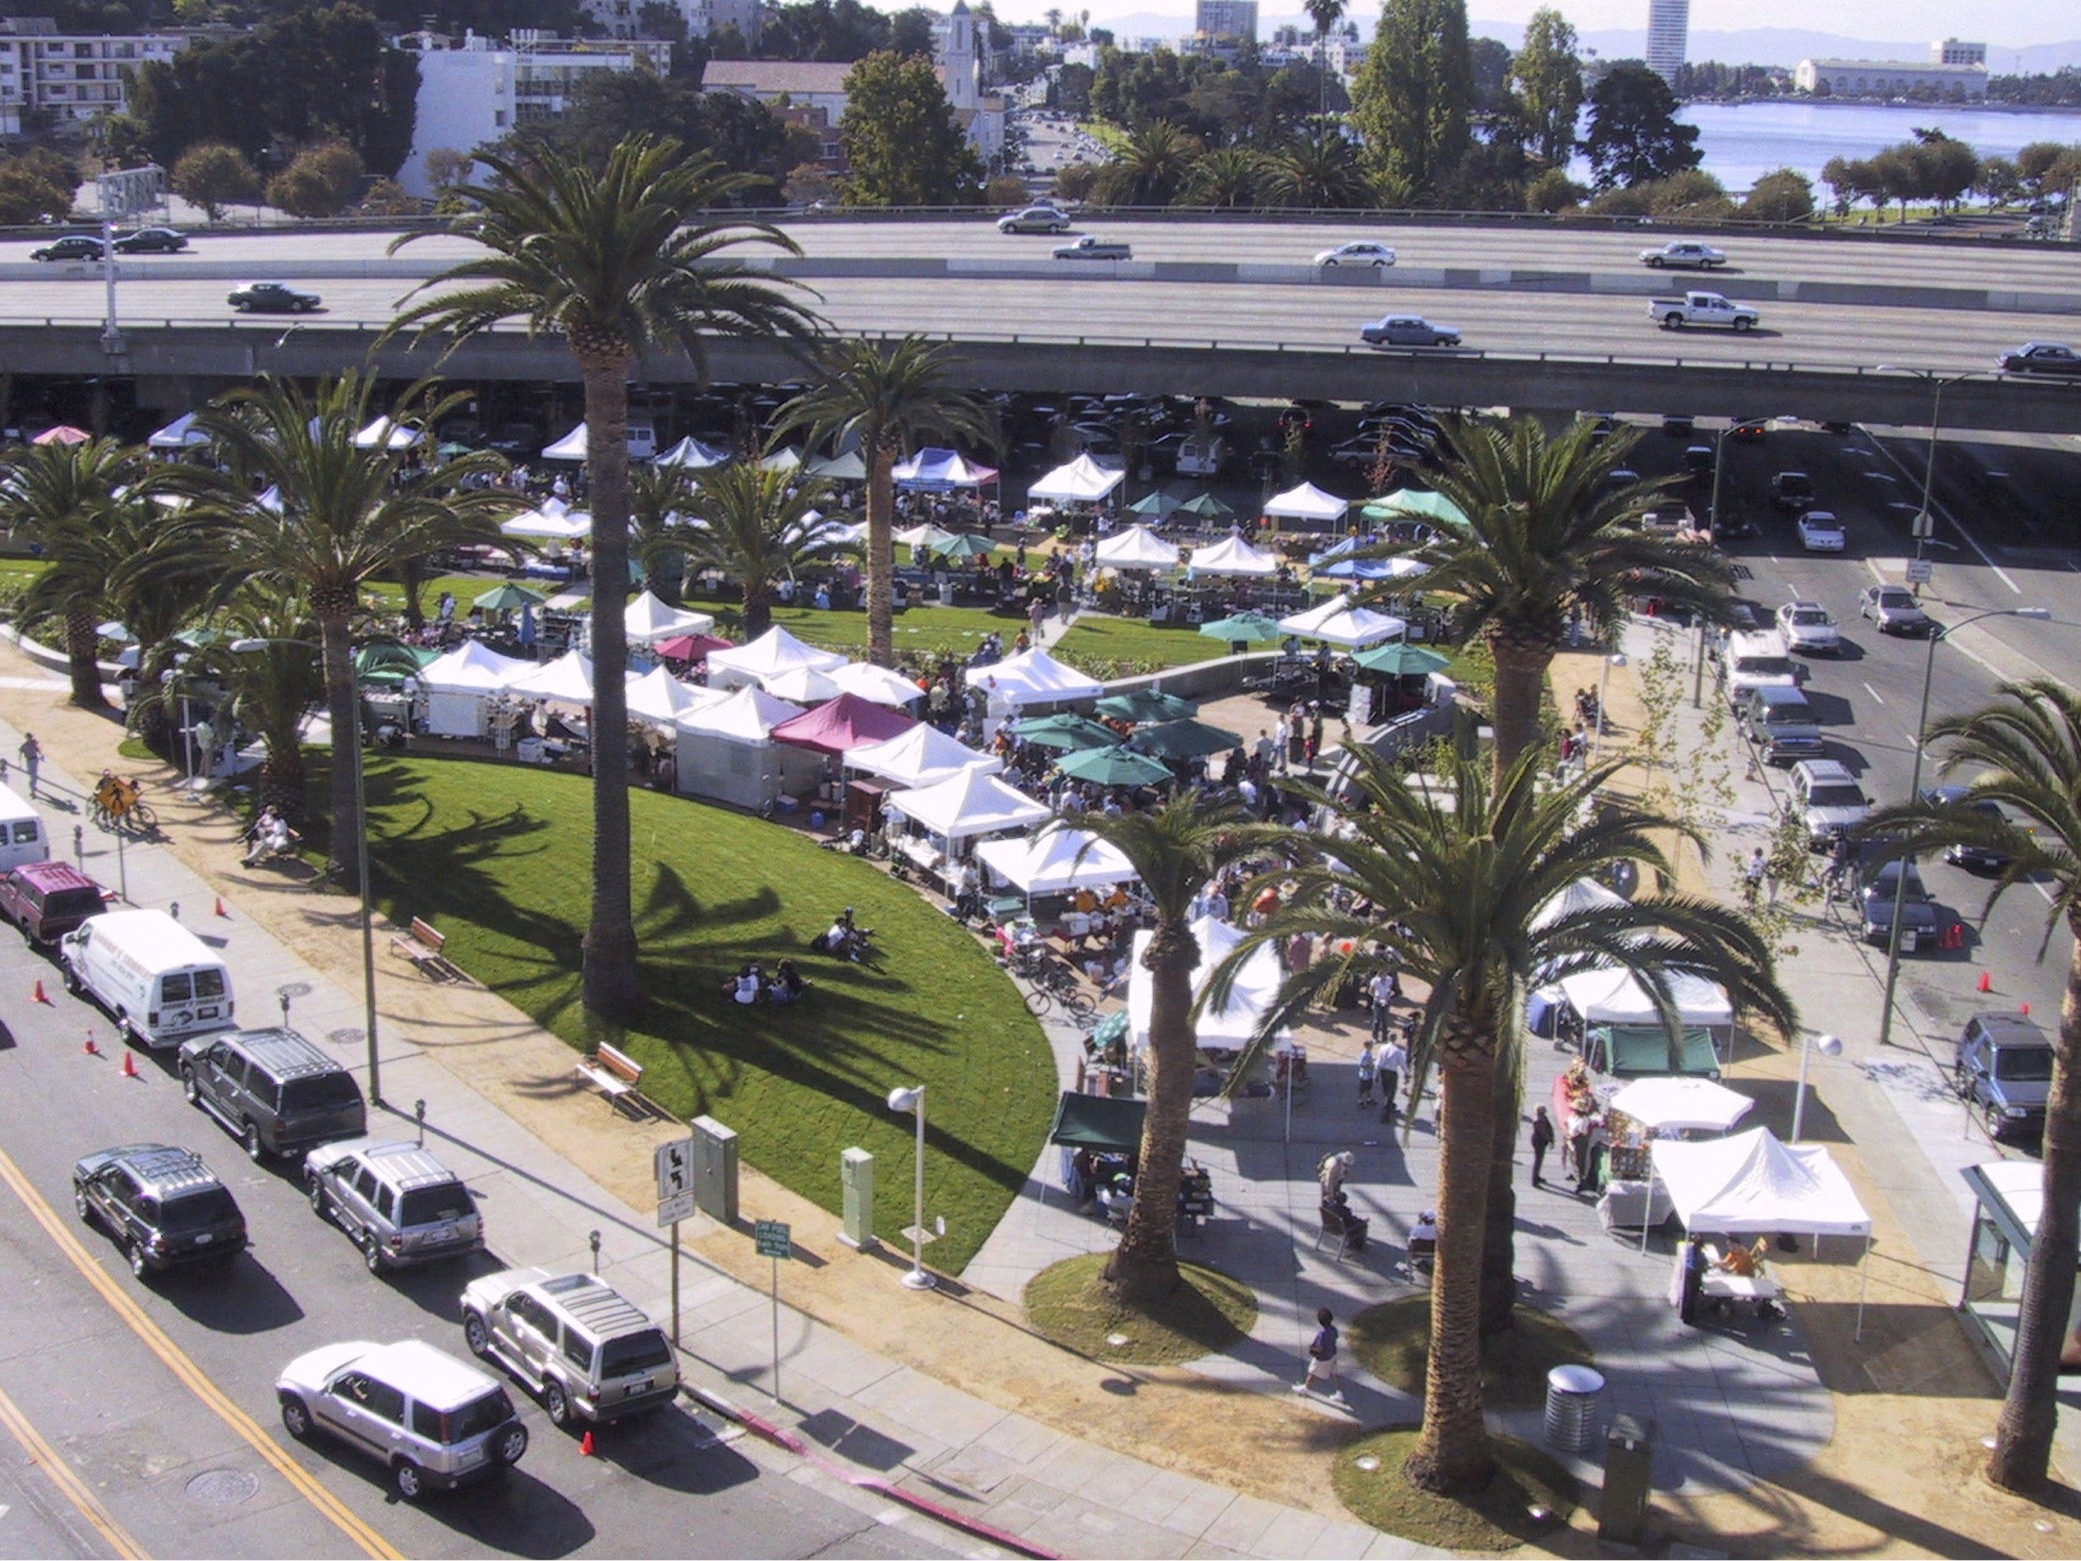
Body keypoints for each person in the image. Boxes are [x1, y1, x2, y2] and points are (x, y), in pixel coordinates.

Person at [1294, 1306, 1341, 1396]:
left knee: (1313, 1373)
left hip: (1322, 1358)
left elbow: (1320, 1349)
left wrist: (1311, 1348)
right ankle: (1339, 1392)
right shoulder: (1333, 1329)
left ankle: (1305, 1389)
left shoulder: (1322, 1334)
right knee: (1334, 1373)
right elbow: (1335, 1338)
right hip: (1332, 1355)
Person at [1377, 1032, 1407, 1127]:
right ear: (1395, 1039)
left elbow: (1378, 1062)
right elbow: (1402, 1064)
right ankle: (1385, 1115)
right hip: (1392, 1073)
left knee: (1386, 1091)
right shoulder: (1397, 1051)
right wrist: (1407, 1073)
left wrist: (1375, 1074)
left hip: (1383, 1072)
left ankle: (1391, 1106)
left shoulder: (1382, 1048)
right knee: (1390, 1093)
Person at [1530, 1106, 1556, 1188]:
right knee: (1538, 1160)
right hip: (1539, 1142)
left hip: (1542, 1141)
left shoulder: (1543, 1118)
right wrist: (1549, 1140)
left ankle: (1537, 1176)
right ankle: (1534, 1180)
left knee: (1540, 1160)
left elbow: (1549, 1128)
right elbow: (1543, 1133)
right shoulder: (1538, 1121)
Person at [16, 733, 40, 799]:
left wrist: (41, 754)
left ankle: (32, 790)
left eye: (30, 737)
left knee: (34, 775)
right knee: (32, 775)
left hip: (35, 759)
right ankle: (32, 789)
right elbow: (20, 753)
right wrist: (19, 763)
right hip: (29, 761)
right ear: (26, 738)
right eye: (29, 737)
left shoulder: (33, 743)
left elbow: (37, 749)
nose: (30, 738)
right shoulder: (24, 745)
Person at [1355, 1039, 1377, 1108]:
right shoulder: (1365, 1055)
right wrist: (1369, 1065)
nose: (1372, 1046)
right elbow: (1361, 1064)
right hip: (1365, 1074)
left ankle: (1369, 1099)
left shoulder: (1369, 1053)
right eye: (1371, 1045)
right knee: (1362, 1087)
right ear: (1368, 1046)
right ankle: (1359, 1100)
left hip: (1369, 1074)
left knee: (1369, 1087)